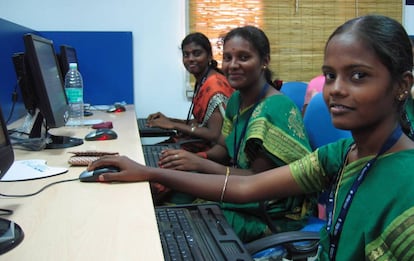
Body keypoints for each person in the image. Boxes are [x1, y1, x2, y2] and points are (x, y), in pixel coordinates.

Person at [88, 15, 414, 260]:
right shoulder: (342, 153)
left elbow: (253, 182)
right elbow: (244, 185)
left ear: (402, 85)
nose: (336, 89)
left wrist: (182, 166)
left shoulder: (407, 186)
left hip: (274, 217)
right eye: (330, 75)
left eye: (358, 75)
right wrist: (149, 171)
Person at [153, 26, 315, 242]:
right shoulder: (237, 100)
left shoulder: (272, 109)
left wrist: (200, 165)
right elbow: (223, 146)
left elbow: (258, 180)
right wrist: (193, 160)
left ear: (264, 60)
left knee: (184, 220)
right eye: (227, 58)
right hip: (243, 187)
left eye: (244, 57)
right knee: (173, 191)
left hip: (273, 209)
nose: (232, 65)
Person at [146, 32, 234, 153]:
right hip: (196, 143)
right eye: (186, 55)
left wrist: (174, 125)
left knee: (149, 157)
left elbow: (214, 134)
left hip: (210, 153)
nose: (191, 59)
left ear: (209, 56)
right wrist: (169, 120)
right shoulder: (204, 80)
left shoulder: (214, 85)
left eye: (196, 54)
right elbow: (201, 123)